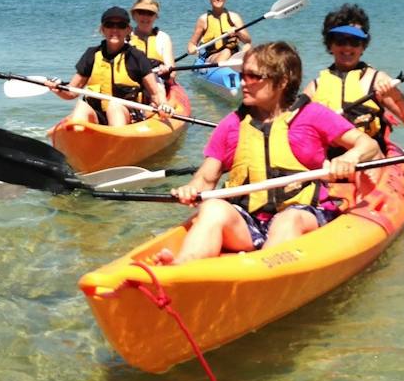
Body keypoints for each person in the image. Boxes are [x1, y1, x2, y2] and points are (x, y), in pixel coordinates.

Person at [159, 41, 382, 264]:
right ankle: (180, 267)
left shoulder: (312, 115)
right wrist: (191, 190)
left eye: (253, 77)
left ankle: (262, 275)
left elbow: (368, 145)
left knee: (287, 220)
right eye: (242, 75)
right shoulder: (232, 124)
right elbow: (206, 179)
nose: (243, 83)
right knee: (212, 207)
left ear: (282, 81)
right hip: (248, 221)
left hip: (302, 214)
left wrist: (348, 158)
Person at [299, 4, 404, 144]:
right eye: (340, 40)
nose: (347, 47)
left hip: (370, 158)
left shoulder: (378, 80)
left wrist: (397, 96)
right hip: (330, 161)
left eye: (354, 41)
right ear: (330, 45)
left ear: (363, 46)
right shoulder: (315, 86)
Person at [55, 6, 170, 127]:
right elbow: (71, 93)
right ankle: (77, 138)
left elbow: (155, 93)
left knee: (114, 106)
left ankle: (117, 141)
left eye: (120, 25)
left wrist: (163, 105)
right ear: (102, 29)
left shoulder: (137, 57)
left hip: (127, 114)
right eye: (109, 25)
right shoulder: (91, 55)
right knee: (81, 107)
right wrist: (57, 89)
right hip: (97, 112)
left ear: (128, 30)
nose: (115, 30)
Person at [187, 0, 250, 66]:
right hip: (212, 56)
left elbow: (248, 41)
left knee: (248, 47)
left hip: (233, 55)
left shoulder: (235, 17)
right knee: (226, 52)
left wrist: (238, 32)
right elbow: (192, 44)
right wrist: (191, 49)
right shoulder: (203, 19)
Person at [127, 0, 175, 85]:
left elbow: (172, 74)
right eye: (141, 12)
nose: (145, 17)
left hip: (156, 84)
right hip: (131, 85)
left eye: (150, 13)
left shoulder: (163, 38)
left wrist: (166, 73)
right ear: (133, 15)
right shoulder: (124, 38)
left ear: (156, 16)